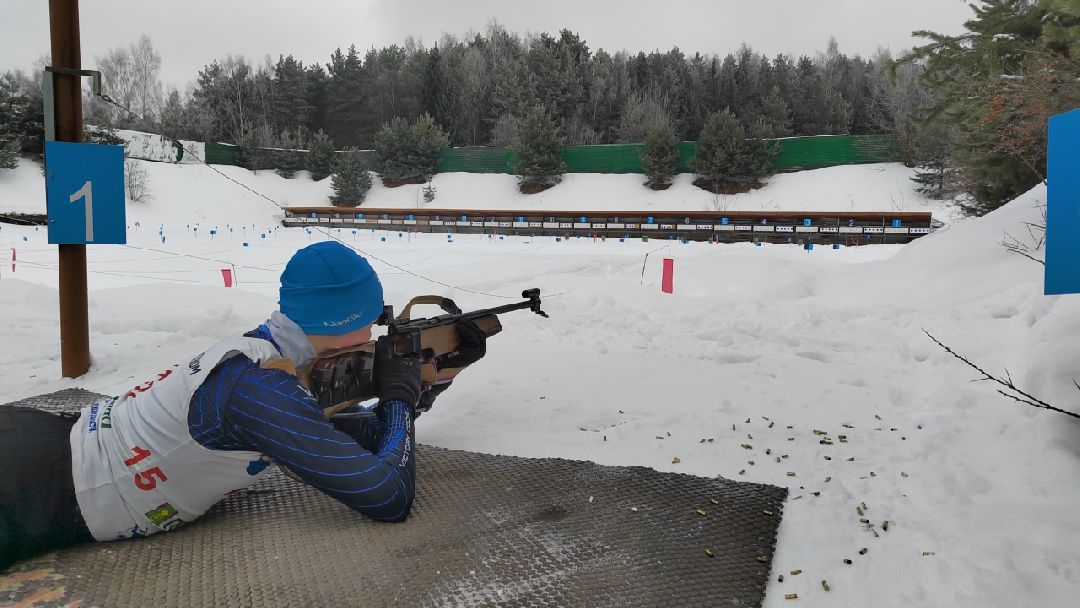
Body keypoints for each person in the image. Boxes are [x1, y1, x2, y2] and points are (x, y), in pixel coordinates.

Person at [0, 241, 486, 571]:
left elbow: (367, 436)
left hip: (44, 442)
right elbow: (387, 496)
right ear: (346, 319)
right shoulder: (261, 390)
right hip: (39, 485)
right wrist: (400, 394)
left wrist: (437, 374)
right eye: (373, 320)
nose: (376, 335)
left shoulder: (270, 357)